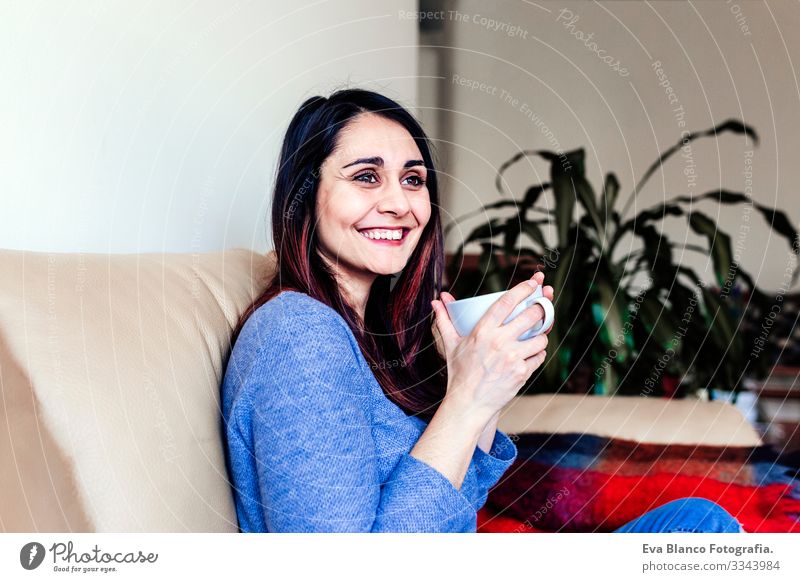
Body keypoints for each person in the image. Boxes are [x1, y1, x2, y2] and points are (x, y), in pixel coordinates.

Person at [220, 87, 744, 534]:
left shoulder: (367, 333)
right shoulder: (299, 332)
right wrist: (466, 399)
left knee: (699, 524)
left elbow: (457, 510)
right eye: (365, 177)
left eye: (413, 179)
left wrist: (487, 389)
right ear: (305, 196)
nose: (399, 204)